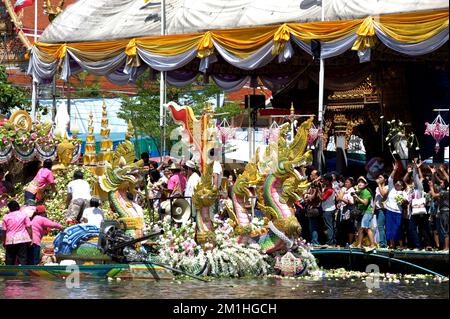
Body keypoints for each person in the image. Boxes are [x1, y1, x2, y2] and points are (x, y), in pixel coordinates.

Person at [1, 200, 33, 265]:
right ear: (18, 207)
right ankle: (24, 274)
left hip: (10, 241)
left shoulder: (6, 217)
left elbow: (4, 231)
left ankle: (9, 274)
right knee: (23, 259)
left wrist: (4, 241)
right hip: (22, 240)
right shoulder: (24, 215)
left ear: (9, 208)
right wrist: (31, 238)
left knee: (10, 260)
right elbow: (28, 227)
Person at [384, 162, 408, 248]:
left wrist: (403, 200)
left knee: (398, 228)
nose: (397, 185)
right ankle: (391, 244)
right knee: (389, 228)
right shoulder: (391, 189)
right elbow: (390, 179)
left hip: (398, 212)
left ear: (402, 186)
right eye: (396, 184)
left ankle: (401, 244)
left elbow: (406, 201)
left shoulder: (403, 192)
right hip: (389, 210)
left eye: (399, 184)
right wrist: (394, 170)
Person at [353, 176, 375, 248]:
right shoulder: (359, 192)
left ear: (366, 185)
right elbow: (355, 203)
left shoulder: (366, 192)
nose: (360, 183)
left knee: (366, 228)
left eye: (362, 182)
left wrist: (357, 197)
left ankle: (372, 244)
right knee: (360, 228)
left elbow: (365, 203)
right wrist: (355, 197)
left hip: (367, 212)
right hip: (361, 212)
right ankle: (359, 244)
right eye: (359, 182)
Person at [336, 177, 356, 246]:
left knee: (349, 226)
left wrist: (342, 199)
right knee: (342, 226)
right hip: (343, 209)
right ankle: (343, 242)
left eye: (348, 182)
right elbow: (339, 198)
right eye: (346, 182)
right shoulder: (345, 190)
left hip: (349, 210)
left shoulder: (352, 191)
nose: (346, 183)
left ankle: (350, 243)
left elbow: (351, 202)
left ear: (351, 184)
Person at [320, 174, 336, 246]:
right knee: (331, 226)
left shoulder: (329, 190)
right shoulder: (328, 188)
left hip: (328, 210)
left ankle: (330, 242)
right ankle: (332, 241)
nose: (323, 181)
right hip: (330, 209)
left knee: (329, 226)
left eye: (324, 180)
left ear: (327, 181)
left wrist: (318, 191)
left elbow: (322, 199)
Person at [373, 174, 389, 248]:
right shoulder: (377, 188)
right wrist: (373, 210)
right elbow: (375, 199)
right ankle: (383, 243)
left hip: (383, 209)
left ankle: (382, 243)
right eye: (378, 177)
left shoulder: (387, 187)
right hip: (377, 209)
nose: (378, 178)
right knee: (380, 226)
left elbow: (383, 195)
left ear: (385, 179)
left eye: (380, 177)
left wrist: (379, 184)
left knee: (380, 226)